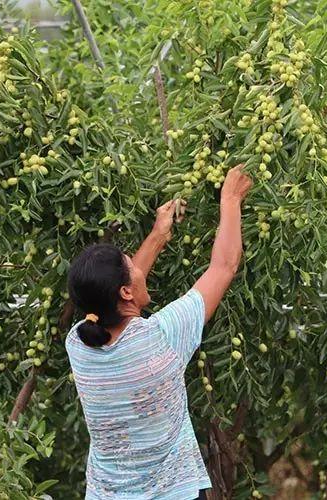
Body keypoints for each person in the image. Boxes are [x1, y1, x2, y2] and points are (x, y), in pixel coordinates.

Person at [65, 164, 252, 499]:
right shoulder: (161, 340)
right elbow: (224, 266)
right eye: (131, 265)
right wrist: (231, 198)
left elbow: (116, 296)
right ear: (124, 292)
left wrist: (158, 236)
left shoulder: (79, 342)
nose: (139, 268)